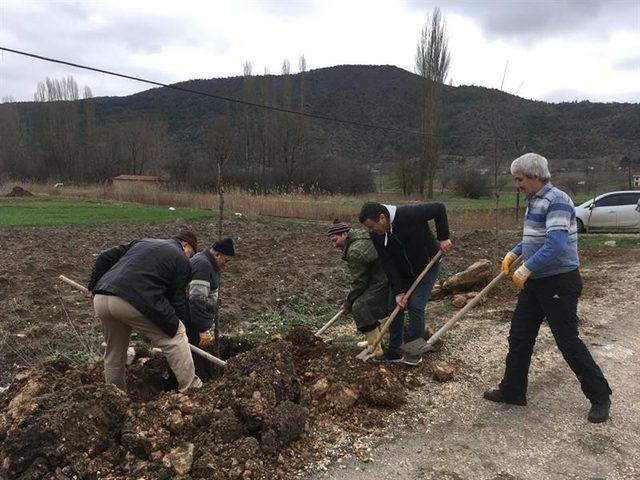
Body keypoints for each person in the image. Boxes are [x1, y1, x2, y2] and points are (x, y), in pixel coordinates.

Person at [485, 152, 612, 423]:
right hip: (536, 281)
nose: (517, 184)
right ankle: (512, 390)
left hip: (559, 282)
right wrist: (514, 253)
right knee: (519, 336)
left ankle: (600, 396)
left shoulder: (557, 200)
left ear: (535, 176)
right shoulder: (534, 200)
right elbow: (534, 239)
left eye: (519, 179)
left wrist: (526, 268)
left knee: (567, 341)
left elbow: (555, 245)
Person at [88, 231, 202, 393]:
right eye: (191, 254)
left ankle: (114, 397)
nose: (189, 259)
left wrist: (93, 286)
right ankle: (193, 390)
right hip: (133, 299)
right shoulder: (181, 259)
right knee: (176, 336)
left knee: (115, 352)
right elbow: (177, 300)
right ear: (185, 246)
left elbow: (104, 257)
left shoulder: (142, 242)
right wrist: (179, 326)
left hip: (102, 297)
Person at [358, 201, 452, 365]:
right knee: (393, 305)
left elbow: (439, 208)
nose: (372, 231)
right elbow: (387, 262)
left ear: (382, 218)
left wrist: (443, 238)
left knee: (415, 306)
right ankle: (394, 350)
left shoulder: (408, 214)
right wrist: (398, 291)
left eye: (372, 226)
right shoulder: (377, 235)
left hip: (428, 266)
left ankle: (415, 353)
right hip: (403, 273)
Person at [327, 218, 390, 357]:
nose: (334, 245)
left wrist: (348, 304)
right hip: (378, 276)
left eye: (335, 240)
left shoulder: (355, 251)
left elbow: (359, 282)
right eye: (331, 241)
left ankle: (376, 347)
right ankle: (375, 341)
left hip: (385, 279)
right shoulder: (358, 234)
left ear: (344, 234)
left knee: (360, 306)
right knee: (364, 302)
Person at [186, 237, 235, 379]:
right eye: (226, 260)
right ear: (217, 254)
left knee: (193, 352)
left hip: (193, 319)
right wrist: (202, 328)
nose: (226, 265)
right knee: (192, 355)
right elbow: (197, 300)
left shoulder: (208, 263)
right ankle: (199, 384)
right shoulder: (203, 265)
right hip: (190, 319)